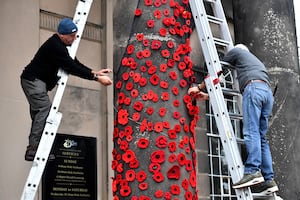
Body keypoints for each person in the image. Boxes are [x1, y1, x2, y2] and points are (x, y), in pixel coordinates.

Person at [188, 44, 278, 195]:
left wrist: (199, 87)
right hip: (266, 93)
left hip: (253, 89)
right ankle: (269, 180)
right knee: (261, 138)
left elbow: (217, 71)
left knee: (251, 132)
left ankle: (252, 171)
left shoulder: (236, 52)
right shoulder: (254, 64)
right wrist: (209, 96)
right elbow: (240, 96)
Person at [20, 18, 113, 161]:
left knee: (39, 115)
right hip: (33, 81)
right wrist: (97, 79)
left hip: (35, 81)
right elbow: (71, 67)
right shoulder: (55, 46)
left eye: (75, 35)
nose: (74, 38)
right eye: (71, 36)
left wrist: (95, 72)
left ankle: (36, 149)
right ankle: (33, 149)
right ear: (62, 35)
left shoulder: (61, 46)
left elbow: (74, 62)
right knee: (44, 109)